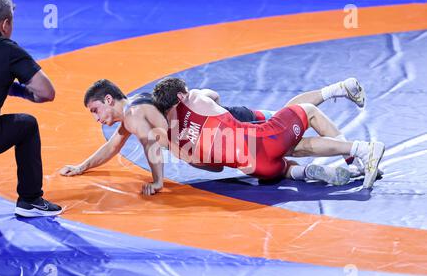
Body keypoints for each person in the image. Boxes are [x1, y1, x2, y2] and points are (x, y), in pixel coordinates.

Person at [60, 78, 382, 195]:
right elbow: (118, 144)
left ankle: (320, 166)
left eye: (94, 110)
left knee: (287, 134)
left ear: (108, 100)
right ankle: (347, 154)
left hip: (224, 140)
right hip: (220, 124)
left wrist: (159, 179)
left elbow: (152, 144)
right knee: (290, 121)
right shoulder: (139, 108)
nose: (96, 118)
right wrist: (83, 166)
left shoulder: (135, 116)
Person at [0, 0, 62, 217]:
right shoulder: (8, 51)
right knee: (27, 125)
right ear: (5, 24)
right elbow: (46, 92)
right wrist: (15, 89)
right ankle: (30, 199)